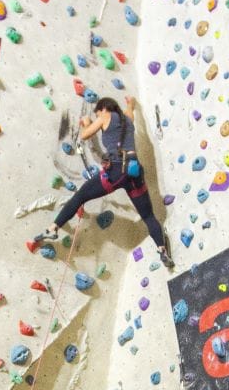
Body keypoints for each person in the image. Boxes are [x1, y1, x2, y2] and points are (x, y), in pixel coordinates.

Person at [36, 94, 173, 267]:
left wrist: (87, 122)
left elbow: (85, 135)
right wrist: (131, 103)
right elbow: (131, 111)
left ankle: (53, 228)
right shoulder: (128, 119)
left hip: (116, 170)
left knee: (80, 196)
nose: (98, 116)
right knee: (147, 215)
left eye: (98, 113)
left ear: (103, 108)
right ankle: (162, 250)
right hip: (134, 170)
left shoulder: (105, 115)